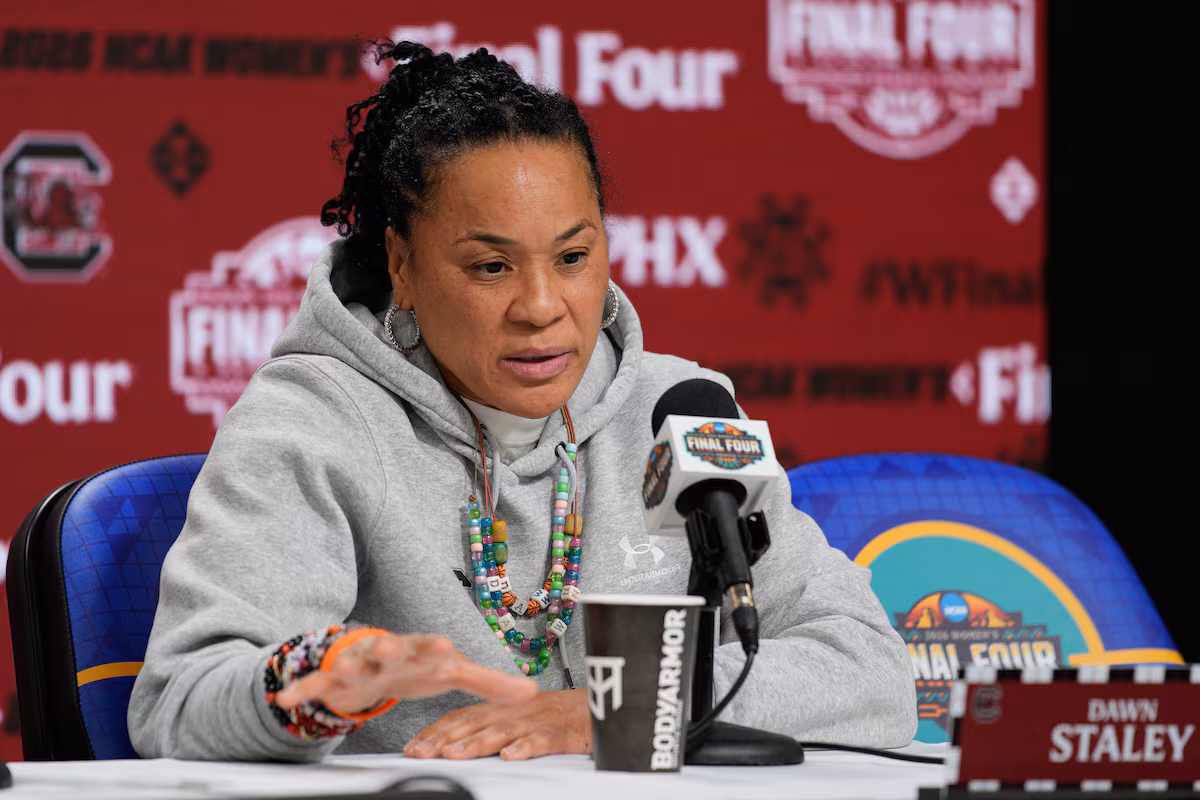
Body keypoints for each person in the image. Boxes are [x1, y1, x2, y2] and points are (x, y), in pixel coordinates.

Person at [128, 42, 916, 762]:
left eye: (573, 257)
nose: (542, 307)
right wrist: (315, 684)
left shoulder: (675, 409)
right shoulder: (314, 420)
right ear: (401, 264)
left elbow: (871, 670)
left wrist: (616, 708)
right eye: (491, 268)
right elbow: (180, 700)